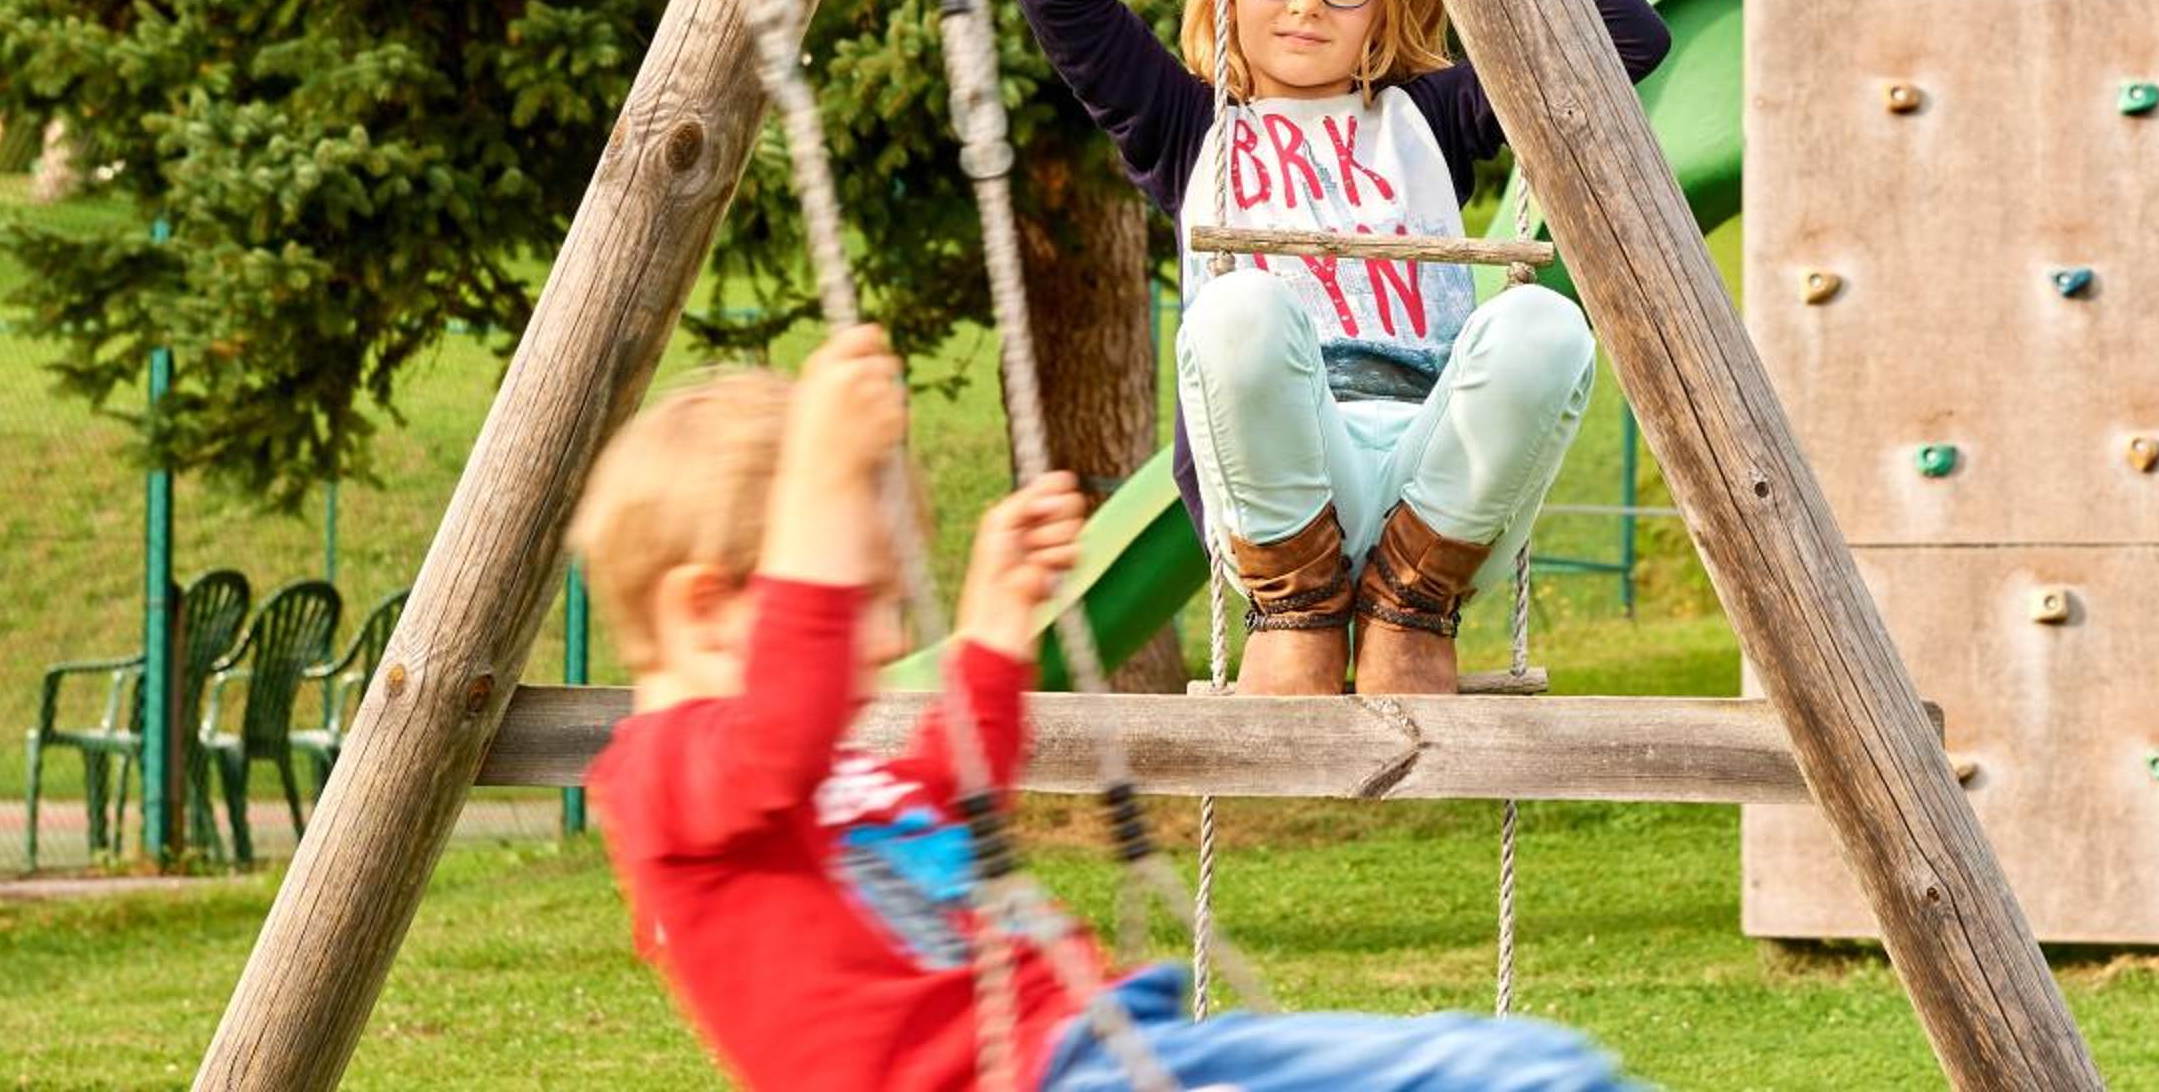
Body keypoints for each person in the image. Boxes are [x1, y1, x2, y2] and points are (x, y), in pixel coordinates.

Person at [572, 326, 1642, 1092]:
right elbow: (780, 731)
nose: (890, 641)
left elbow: (951, 795)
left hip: (1105, 1041)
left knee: (1527, 1062)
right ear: (707, 610)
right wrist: (816, 477)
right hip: (1046, 1074)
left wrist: (993, 628)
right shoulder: (667, 781)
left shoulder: (810, 776)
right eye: (857, 600)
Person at [1016, 0, 1669, 696]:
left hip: (1433, 493)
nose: (1305, 3)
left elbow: (1628, 35)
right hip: (1278, 497)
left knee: (1545, 326)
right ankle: (1300, 605)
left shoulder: (1433, 118)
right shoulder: (1185, 124)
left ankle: (1411, 607)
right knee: (1242, 308)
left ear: (1383, 3)